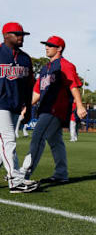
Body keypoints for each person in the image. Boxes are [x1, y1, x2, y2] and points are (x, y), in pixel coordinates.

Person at [19, 35, 87, 184]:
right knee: (56, 142)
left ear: (59, 48)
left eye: (50, 45)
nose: (46, 47)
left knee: (37, 137)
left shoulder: (66, 65)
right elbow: (37, 92)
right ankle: (61, 173)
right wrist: (27, 106)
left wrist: (80, 105)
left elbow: (73, 86)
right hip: (45, 108)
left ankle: (24, 174)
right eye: (46, 44)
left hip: (56, 108)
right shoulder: (45, 68)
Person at [0, 22, 38, 193]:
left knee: (3, 143)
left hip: (16, 105)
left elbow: (30, 85)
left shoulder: (25, 58)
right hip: (1, 105)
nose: (21, 37)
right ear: (6, 35)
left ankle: (15, 177)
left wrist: (28, 108)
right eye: (17, 34)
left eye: (22, 34)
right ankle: (16, 181)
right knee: (9, 140)